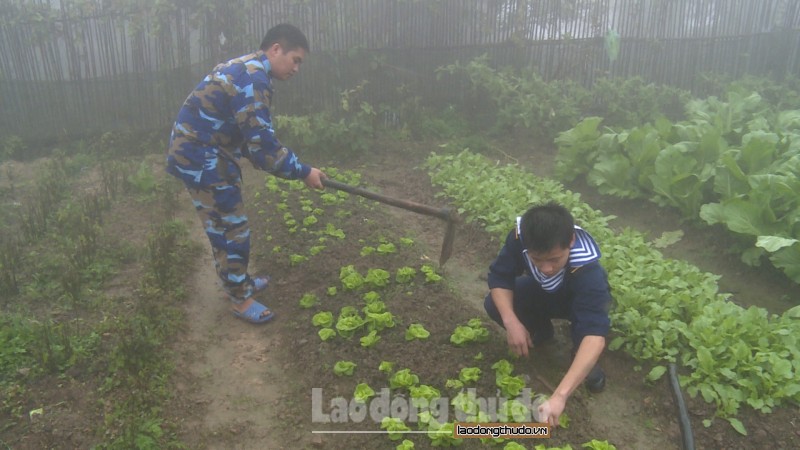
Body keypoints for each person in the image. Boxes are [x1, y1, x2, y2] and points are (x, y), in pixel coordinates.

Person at [166, 24, 325, 324]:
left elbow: (252, 142)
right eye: (296, 60)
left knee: (228, 224)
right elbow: (264, 147)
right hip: (201, 156)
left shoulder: (250, 70)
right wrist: (304, 172)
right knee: (231, 228)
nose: (297, 69)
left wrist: (294, 167)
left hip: (208, 151)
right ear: (276, 49)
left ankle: (239, 281)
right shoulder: (252, 79)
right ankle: (240, 299)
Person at [484, 202, 611, 426]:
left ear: (570, 241)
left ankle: (579, 358)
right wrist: (512, 322)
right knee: (495, 304)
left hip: (575, 300)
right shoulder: (519, 237)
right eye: (536, 260)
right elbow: (500, 277)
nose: (546, 268)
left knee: (585, 331)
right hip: (542, 290)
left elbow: (595, 335)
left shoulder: (589, 273)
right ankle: (539, 332)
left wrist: (559, 396)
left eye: (554, 259)